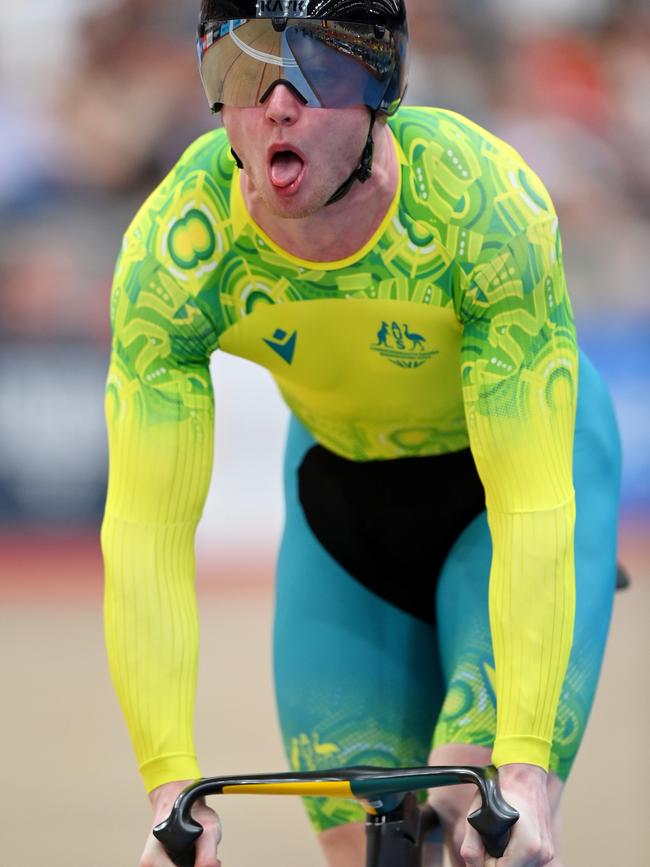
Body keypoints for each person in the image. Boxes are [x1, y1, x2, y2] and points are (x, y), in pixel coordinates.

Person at [101, 2, 622, 865]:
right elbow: (145, 536)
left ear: (383, 89)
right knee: (362, 846)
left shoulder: (480, 204)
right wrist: (169, 786)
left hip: (506, 499)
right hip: (341, 501)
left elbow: (529, 505)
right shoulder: (175, 250)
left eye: (322, 72)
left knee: (471, 820)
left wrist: (525, 771)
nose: (278, 102)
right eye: (243, 69)